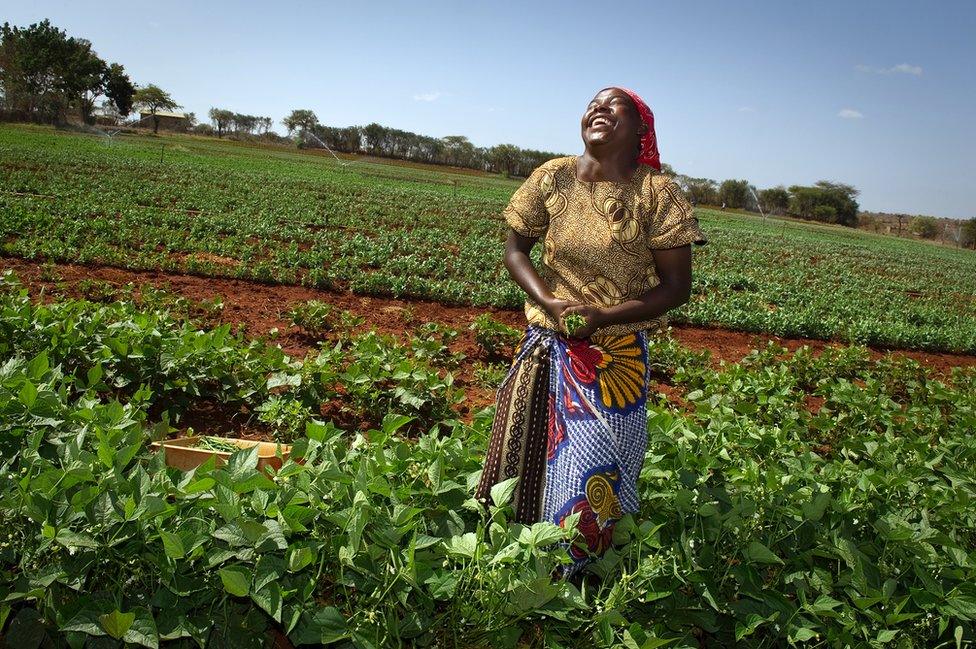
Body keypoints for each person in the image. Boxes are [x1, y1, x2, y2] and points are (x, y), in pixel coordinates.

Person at [474, 86, 708, 584]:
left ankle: (577, 579)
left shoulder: (657, 194)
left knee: (594, 469)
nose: (597, 110)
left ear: (639, 131)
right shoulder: (552, 177)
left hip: (613, 359)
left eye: (613, 106)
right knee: (527, 459)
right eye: (591, 104)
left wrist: (605, 316)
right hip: (546, 345)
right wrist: (549, 301)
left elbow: (676, 287)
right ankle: (515, 563)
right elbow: (516, 251)